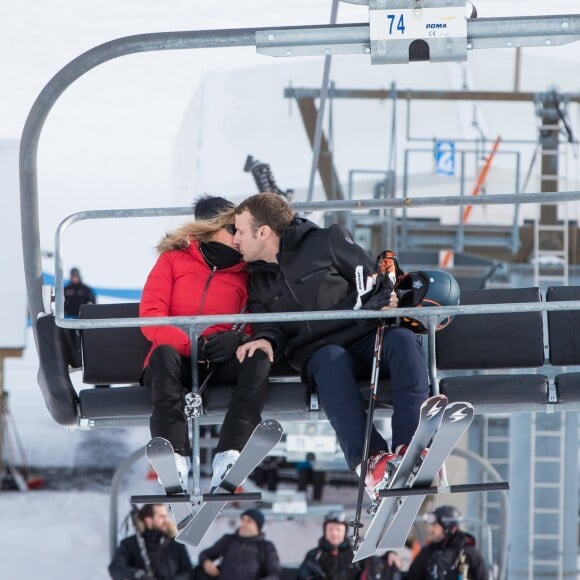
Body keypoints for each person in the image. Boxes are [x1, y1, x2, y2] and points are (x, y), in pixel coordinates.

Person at [233, 193, 429, 500]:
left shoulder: (325, 242)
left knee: (403, 340)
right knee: (331, 359)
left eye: (240, 231)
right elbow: (268, 326)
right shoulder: (257, 281)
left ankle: (412, 445)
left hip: (364, 338)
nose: (235, 240)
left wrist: (384, 299)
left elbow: (371, 281)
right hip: (319, 355)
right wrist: (265, 338)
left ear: (263, 232)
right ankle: (373, 461)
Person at [139, 195, 272, 490]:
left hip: (219, 363)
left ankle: (231, 453)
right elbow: (151, 315)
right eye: (231, 229)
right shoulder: (173, 261)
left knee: (257, 358)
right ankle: (174, 454)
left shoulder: (247, 274)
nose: (238, 238)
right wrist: (190, 344)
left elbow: (253, 321)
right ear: (209, 229)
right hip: (175, 361)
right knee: (163, 355)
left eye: (240, 231)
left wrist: (237, 340)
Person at [108, 503, 193, 580]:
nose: (166, 520)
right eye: (161, 517)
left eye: (166, 516)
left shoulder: (176, 545)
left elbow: (188, 572)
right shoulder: (130, 544)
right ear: (148, 521)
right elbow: (116, 568)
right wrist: (139, 576)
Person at [406, 505, 489, 580]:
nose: (430, 530)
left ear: (447, 527)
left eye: (434, 525)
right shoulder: (427, 553)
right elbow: (412, 577)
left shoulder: (469, 554)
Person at [198, 508, 281, 579]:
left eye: (249, 521)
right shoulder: (228, 540)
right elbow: (204, 555)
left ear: (258, 527)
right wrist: (206, 562)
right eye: (243, 520)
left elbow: (274, 574)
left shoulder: (266, 546)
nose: (243, 524)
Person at [297, 510, 361, 580]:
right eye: (330, 529)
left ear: (345, 532)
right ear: (325, 531)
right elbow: (303, 575)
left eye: (338, 530)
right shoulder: (313, 556)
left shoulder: (356, 555)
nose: (334, 533)